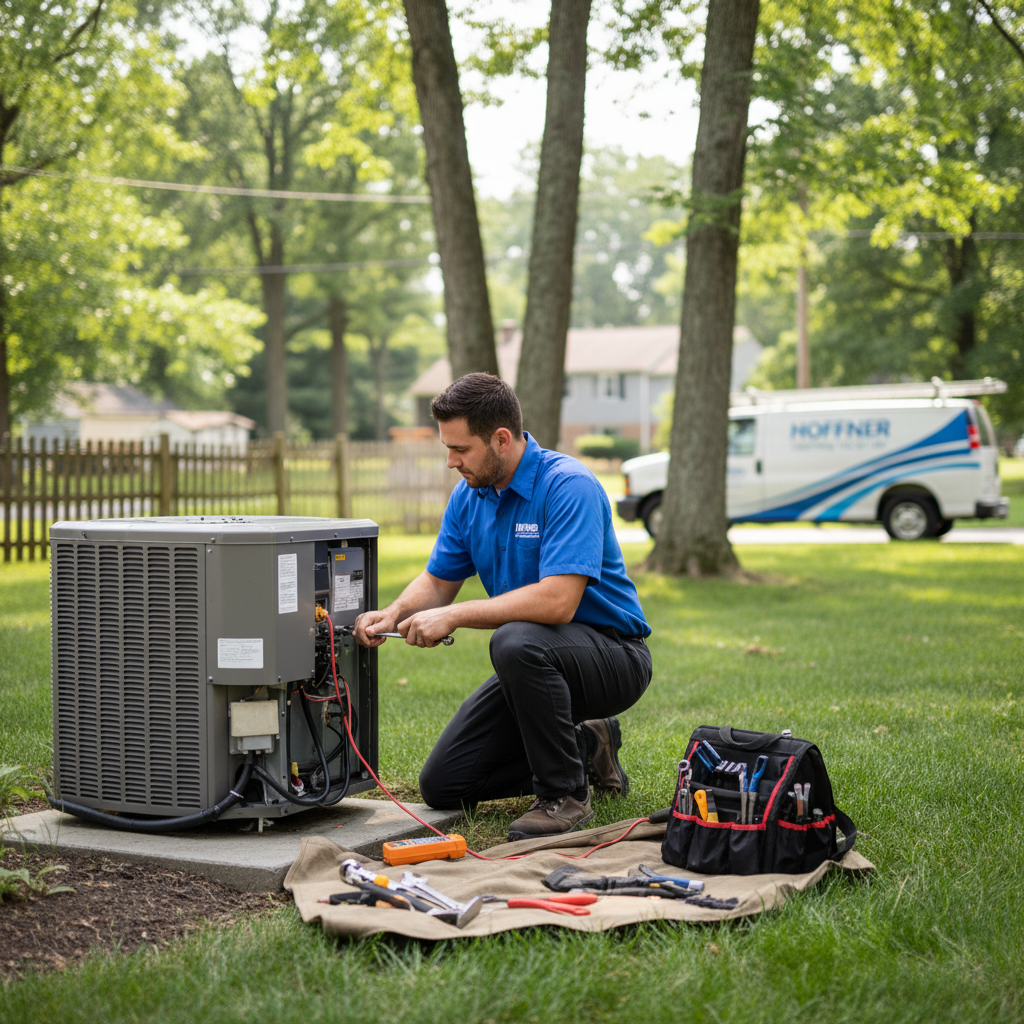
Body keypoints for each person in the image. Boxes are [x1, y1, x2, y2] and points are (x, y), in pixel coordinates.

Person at [353, 373, 652, 841]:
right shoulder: (469, 496)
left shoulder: (568, 486)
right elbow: (438, 579)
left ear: (501, 439)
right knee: (444, 784)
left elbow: (557, 601)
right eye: (447, 449)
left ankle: (564, 796)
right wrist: (395, 613)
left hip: (613, 656)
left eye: (461, 449)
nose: (451, 462)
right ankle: (586, 745)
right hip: (536, 662)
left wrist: (453, 615)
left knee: (514, 639)